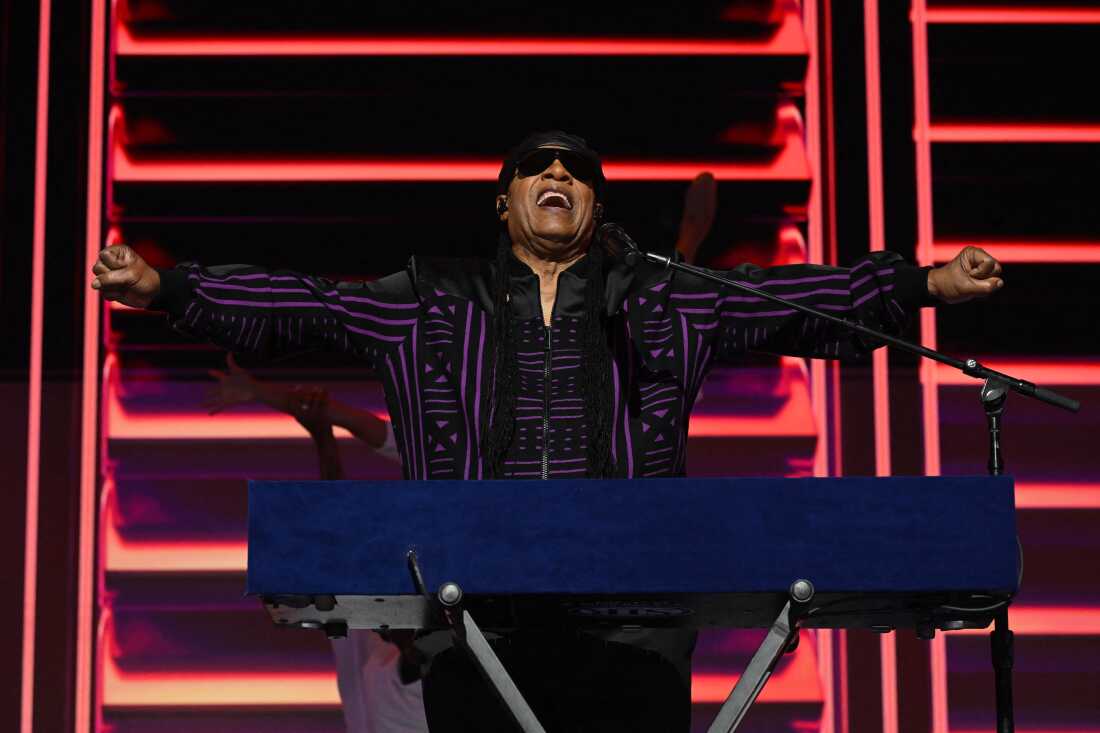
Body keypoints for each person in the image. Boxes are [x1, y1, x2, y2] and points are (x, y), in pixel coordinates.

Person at [91, 130, 1003, 731]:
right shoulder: (433, 302)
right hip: (474, 623)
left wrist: (920, 285)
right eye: (537, 164)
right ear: (503, 202)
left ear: (599, 209)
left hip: (634, 631)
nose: (558, 173)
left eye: (578, 169)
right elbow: (305, 305)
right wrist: (169, 289)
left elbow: (795, 300)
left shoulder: (660, 297)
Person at [203, 359, 429, 733]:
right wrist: (316, 428)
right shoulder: (376, 633)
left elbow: (336, 527)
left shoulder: (386, 648)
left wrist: (318, 429)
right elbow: (337, 521)